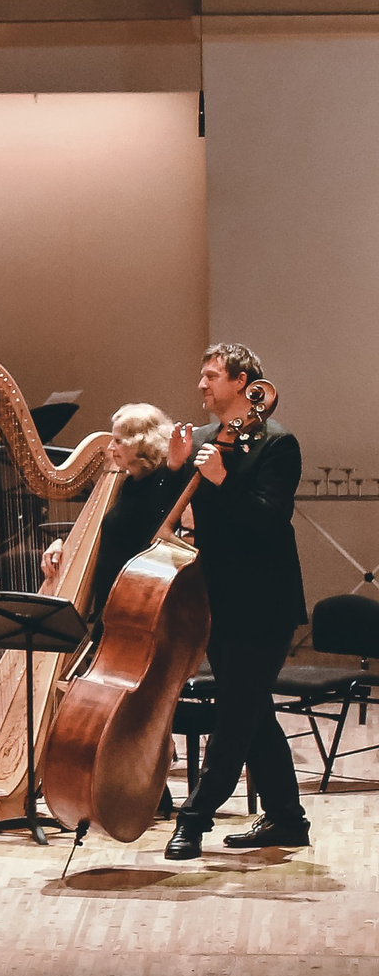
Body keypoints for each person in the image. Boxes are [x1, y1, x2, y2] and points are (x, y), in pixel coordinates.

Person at [163, 343, 310, 858]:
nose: (201, 385)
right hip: (213, 595)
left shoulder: (278, 443)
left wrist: (222, 483)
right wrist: (177, 469)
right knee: (252, 710)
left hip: (264, 600)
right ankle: (288, 819)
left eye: (210, 376)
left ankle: (193, 819)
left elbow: (269, 521)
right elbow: (181, 513)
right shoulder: (204, 439)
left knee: (235, 712)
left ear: (243, 381)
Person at [39, 402, 184, 622]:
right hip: (110, 604)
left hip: (134, 608)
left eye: (118, 441)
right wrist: (61, 545)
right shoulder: (127, 484)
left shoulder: (163, 484)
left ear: (141, 444)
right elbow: (110, 531)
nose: (110, 447)